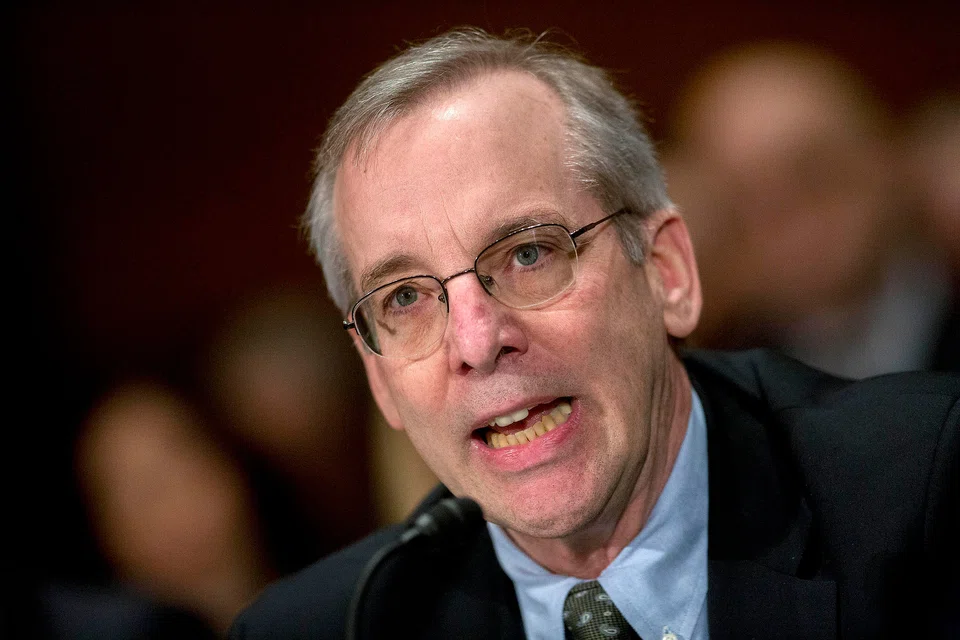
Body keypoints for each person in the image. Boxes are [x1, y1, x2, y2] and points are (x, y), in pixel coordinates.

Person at [230, 28, 959, 639]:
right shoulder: (329, 627)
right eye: (406, 297)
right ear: (378, 376)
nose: (477, 342)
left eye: (528, 254)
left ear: (667, 272)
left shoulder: (928, 490)